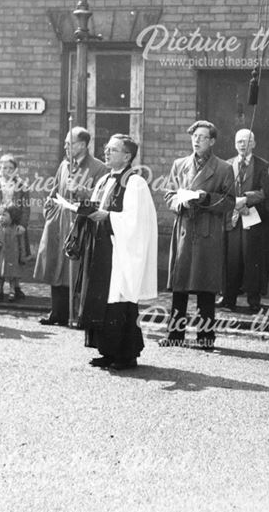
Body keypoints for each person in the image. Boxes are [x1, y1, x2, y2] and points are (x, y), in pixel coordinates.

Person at [75, 134, 157, 370]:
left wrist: (108, 216)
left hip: (120, 251)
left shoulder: (134, 183)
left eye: (113, 150)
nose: (107, 153)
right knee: (102, 300)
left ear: (128, 156)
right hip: (102, 248)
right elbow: (97, 207)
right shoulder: (105, 180)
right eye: (107, 149)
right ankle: (107, 351)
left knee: (119, 301)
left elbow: (136, 221)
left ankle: (125, 354)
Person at [160, 120, 236, 350]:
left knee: (205, 286)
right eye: (194, 136)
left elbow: (229, 201)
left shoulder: (224, 168)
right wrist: (180, 201)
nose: (197, 140)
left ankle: (205, 337)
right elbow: (168, 194)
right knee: (179, 286)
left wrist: (205, 198)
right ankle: (175, 334)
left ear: (212, 141)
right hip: (184, 227)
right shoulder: (180, 164)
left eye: (202, 137)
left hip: (207, 230)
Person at [32, 127, 107, 326]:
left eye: (70, 143)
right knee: (56, 266)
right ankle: (57, 312)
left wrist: (81, 191)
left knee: (75, 270)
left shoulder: (99, 168)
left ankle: (79, 314)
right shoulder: (64, 165)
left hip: (80, 224)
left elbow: (102, 198)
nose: (65, 147)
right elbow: (55, 190)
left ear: (82, 145)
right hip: (59, 222)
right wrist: (48, 209)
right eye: (65, 143)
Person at [217, 128, 269, 314]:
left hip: (254, 219)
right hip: (233, 218)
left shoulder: (263, 166)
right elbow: (222, 190)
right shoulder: (227, 165)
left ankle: (254, 300)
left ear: (254, 144)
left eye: (247, 141)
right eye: (239, 142)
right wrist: (235, 204)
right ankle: (229, 298)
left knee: (253, 259)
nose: (243, 145)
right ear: (235, 144)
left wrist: (245, 200)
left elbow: (266, 192)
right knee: (232, 258)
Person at [0, 153, 32, 282]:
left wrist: (22, 225)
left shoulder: (22, 187)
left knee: (15, 255)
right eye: (4, 168)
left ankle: (15, 286)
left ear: (15, 170)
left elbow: (26, 209)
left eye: (10, 168)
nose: (7, 171)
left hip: (15, 227)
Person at [0, 205, 26, 302]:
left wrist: (22, 256)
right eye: (0, 215)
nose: (1, 217)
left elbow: (21, 244)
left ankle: (12, 291)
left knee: (12, 275)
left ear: (12, 217)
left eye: (4, 215)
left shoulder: (16, 229)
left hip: (12, 256)